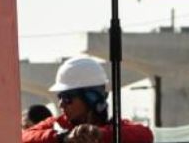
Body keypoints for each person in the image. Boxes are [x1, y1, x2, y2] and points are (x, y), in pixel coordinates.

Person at [22, 56, 154, 143]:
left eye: (67, 97)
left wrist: (99, 135)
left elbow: (145, 135)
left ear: (91, 97)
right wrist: (63, 137)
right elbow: (22, 137)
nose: (61, 104)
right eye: (60, 97)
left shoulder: (114, 128)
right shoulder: (57, 125)